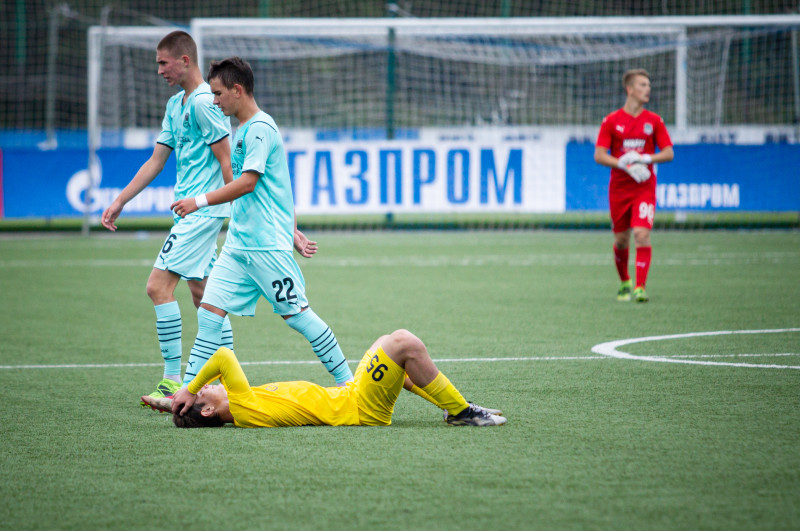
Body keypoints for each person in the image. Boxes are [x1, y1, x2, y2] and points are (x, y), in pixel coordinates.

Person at [169, 56, 353, 388]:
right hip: (239, 245)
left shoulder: (260, 129)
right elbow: (281, 186)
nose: (214, 100)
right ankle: (185, 392)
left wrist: (198, 201)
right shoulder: (243, 130)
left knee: (296, 316)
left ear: (237, 90)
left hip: (266, 246)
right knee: (209, 313)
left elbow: (250, 183)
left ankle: (348, 383)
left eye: (218, 93)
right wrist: (294, 229)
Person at [100, 30, 237, 406]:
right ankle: (228, 378)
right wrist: (121, 200)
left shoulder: (206, 105)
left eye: (163, 62)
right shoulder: (177, 105)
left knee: (157, 287)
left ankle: (171, 381)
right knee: (204, 296)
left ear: (184, 61)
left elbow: (228, 162)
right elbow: (156, 160)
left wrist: (237, 212)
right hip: (190, 214)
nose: (159, 69)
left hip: (202, 212)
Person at [141, 329, 506, 428]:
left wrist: (172, 401)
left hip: (349, 395)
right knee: (401, 342)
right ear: (207, 412)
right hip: (360, 407)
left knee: (391, 354)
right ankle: (461, 412)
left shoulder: (242, 407)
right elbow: (223, 356)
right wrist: (188, 387)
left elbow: (212, 379)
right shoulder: (243, 406)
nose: (207, 385)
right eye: (205, 392)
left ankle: (453, 408)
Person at [594, 68, 674, 303]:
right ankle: (624, 281)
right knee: (621, 239)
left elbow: (669, 152)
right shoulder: (611, 121)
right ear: (629, 89)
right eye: (642, 85)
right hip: (619, 188)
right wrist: (623, 164)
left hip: (644, 187)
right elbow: (599, 155)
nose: (647, 89)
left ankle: (640, 287)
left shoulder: (654, 121)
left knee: (641, 234)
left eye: (648, 85)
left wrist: (646, 158)